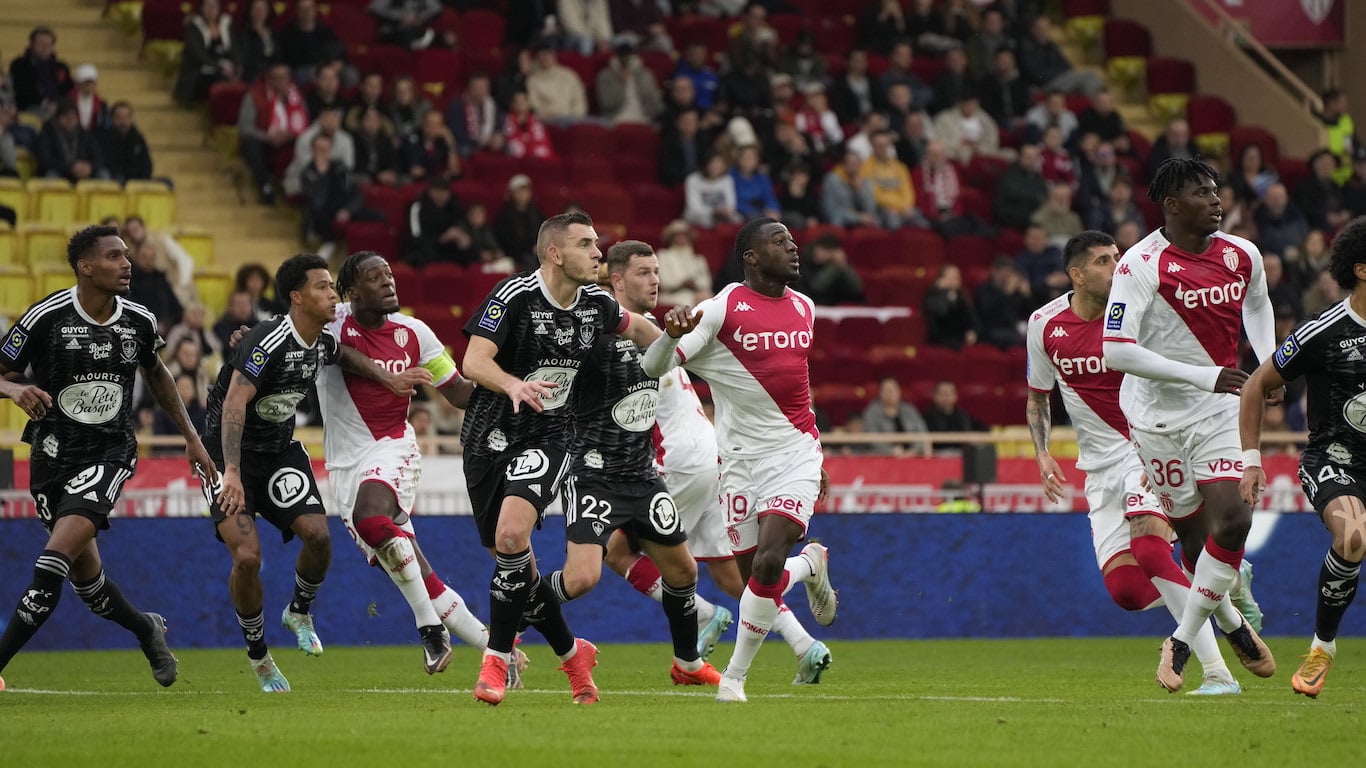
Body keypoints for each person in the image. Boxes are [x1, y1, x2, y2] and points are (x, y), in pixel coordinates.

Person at [1028, 230, 1259, 695]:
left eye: (1117, 256)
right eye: (1103, 261)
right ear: (1077, 275)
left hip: (1147, 444)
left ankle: (1217, 672)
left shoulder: (1145, 311)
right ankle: (1224, 594)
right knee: (1128, 593)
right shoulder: (1044, 324)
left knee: (1151, 548)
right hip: (1098, 468)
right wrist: (1042, 452)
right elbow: (1038, 397)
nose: (1117, 266)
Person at [459, 211, 664, 706]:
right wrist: (512, 384)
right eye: (585, 244)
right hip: (488, 439)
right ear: (554, 253)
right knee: (519, 572)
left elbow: (642, 330)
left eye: (597, 243)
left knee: (512, 536)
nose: (598, 252)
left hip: (551, 435)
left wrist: (684, 349)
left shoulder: (597, 303)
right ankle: (575, 658)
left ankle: (495, 660)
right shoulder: (514, 296)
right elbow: (473, 361)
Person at [0, 224, 216, 692]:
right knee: (88, 586)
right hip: (51, 455)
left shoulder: (138, 320)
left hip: (109, 454)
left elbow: (157, 374)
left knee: (52, 562)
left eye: (126, 255)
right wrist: (14, 389)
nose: (126, 263)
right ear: (85, 266)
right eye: (114, 256)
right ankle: (146, 629)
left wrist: (192, 437)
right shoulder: (46, 316)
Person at [642, 218, 839, 703]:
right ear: (750, 256)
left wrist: (813, 457)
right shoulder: (722, 308)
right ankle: (809, 566)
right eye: (779, 241)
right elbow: (652, 366)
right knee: (757, 579)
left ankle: (733, 679)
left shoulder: (805, 307)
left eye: (791, 240)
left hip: (793, 454)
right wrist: (670, 336)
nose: (792, 247)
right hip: (737, 462)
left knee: (768, 563)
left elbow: (796, 387)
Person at [1101, 157, 1278, 691]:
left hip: (1220, 411)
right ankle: (1232, 622)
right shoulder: (1140, 265)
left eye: (1216, 190)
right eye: (1202, 193)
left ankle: (1179, 641)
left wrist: (1269, 365)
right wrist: (1206, 375)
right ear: (1173, 205)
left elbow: (1258, 305)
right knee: (1197, 546)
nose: (1217, 200)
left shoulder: (1242, 254)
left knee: (1235, 518)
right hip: (1156, 420)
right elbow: (1115, 351)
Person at [321, 250, 529, 680]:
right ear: (351, 291)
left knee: (371, 519)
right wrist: (248, 337)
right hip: (343, 468)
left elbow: (458, 392)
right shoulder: (331, 323)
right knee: (417, 573)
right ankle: (499, 651)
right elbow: (290, 336)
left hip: (393, 447)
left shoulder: (415, 333)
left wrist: (510, 386)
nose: (388, 282)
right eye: (375, 277)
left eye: (390, 274)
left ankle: (430, 629)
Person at [199, 253, 399, 692]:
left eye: (332, 286)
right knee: (248, 558)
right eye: (322, 287)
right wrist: (230, 471)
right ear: (296, 297)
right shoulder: (266, 340)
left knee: (319, 537)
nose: (332, 295)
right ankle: (259, 655)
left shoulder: (320, 342)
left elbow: (345, 355)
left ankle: (299, 611)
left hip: (278, 454)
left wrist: (387, 377)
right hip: (227, 457)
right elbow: (233, 403)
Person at [540, 240, 721, 686]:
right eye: (644, 272)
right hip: (593, 473)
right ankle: (505, 627)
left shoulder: (654, 333)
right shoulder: (591, 329)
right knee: (581, 579)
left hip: (642, 475)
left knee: (684, 570)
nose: (655, 280)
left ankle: (688, 665)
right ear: (617, 280)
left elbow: (662, 362)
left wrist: (674, 336)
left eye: (657, 271)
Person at [1239, 216, 1366, 698]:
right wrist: (1252, 459)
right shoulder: (1323, 331)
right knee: (1353, 536)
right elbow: (1257, 385)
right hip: (1336, 460)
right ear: (1361, 269)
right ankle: (1322, 648)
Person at [862, 377, 929, 456]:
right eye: (887, 390)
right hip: (884, 457)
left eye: (893, 390)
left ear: (899, 391)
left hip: (912, 455)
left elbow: (922, 432)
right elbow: (872, 439)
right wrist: (890, 451)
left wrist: (913, 451)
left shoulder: (909, 410)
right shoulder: (871, 413)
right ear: (880, 393)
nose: (890, 393)